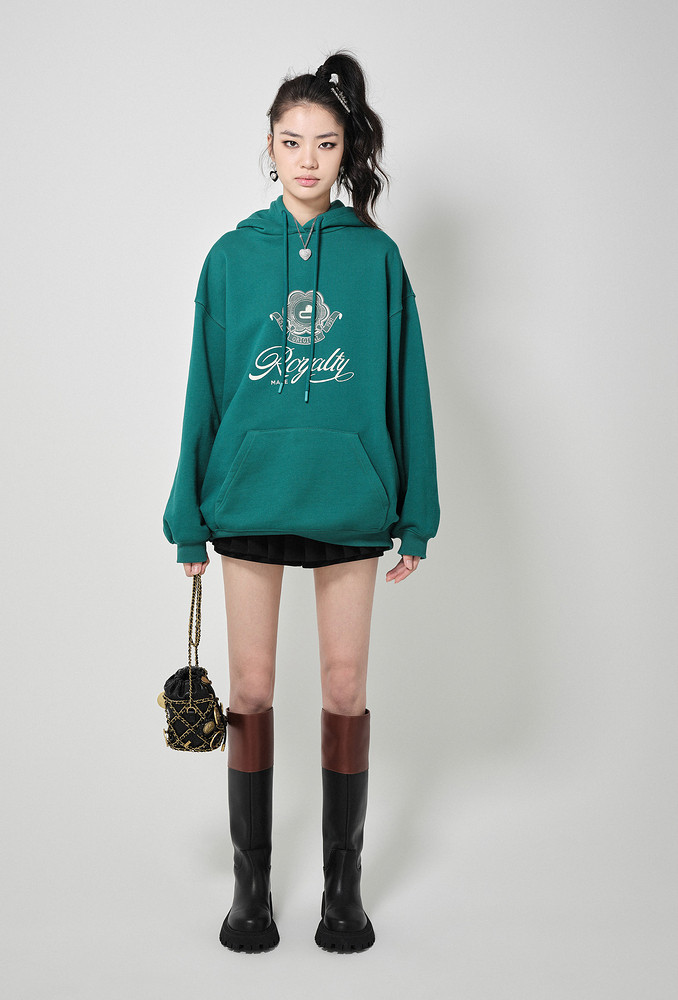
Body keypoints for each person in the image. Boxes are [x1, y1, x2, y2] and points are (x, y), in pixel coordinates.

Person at [162, 49, 440, 953]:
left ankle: (342, 887)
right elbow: (204, 393)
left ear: (347, 149)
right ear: (270, 146)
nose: (308, 160)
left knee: (345, 687)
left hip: (351, 502)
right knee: (249, 689)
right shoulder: (231, 259)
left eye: (325, 143)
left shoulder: (378, 260)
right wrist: (187, 519)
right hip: (246, 499)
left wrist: (417, 513)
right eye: (292, 142)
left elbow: (406, 389)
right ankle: (251, 889)